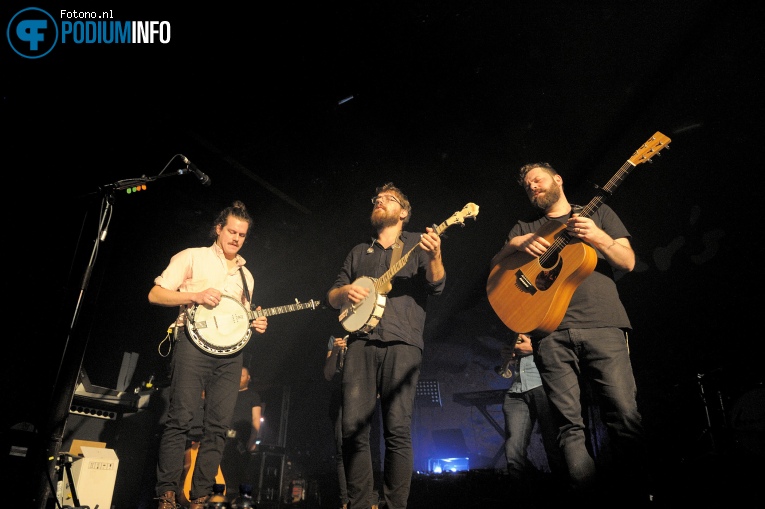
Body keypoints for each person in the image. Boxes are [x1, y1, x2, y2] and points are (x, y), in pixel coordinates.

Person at [490, 162, 650, 505]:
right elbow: (497, 270)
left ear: (557, 179)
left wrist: (596, 236)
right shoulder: (526, 227)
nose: (533, 186)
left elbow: (627, 261)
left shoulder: (599, 212)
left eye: (539, 179)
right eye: (528, 185)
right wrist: (515, 242)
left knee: (624, 414)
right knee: (567, 426)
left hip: (602, 323)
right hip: (549, 333)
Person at [326, 182, 445, 509]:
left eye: (388, 199)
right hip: (360, 343)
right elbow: (332, 296)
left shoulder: (419, 243)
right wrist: (346, 291)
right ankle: (361, 504)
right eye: (376, 199)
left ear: (404, 212)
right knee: (352, 430)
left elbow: (436, 285)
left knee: (397, 429)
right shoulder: (358, 251)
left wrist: (435, 255)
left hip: (402, 342)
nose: (379, 201)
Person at [149, 200, 268, 509]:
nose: (236, 238)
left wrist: (255, 322)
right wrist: (195, 295)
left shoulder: (247, 277)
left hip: (230, 356)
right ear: (218, 229)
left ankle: (200, 497)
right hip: (192, 345)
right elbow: (156, 293)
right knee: (181, 419)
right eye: (231, 231)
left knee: (217, 426)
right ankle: (166, 495)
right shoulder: (193, 257)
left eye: (242, 234)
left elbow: (239, 319)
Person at [499, 331, 565, 501]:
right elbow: (512, 365)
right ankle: (518, 495)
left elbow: (564, 345)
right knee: (513, 446)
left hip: (543, 383)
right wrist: (510, 357)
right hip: (518, 388)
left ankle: (565, 493)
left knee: (553, 444)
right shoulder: (516, 327)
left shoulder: (545, 321)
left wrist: (533, 348)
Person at [324, 335, 381, 509]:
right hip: (340, 395)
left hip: (362, 391)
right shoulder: (335, 336)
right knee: (342, 449)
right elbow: (328, 374)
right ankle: (345, 499)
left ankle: (370, 499)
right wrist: (334, 351)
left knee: (362, 444)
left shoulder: (369, 332)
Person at [221, 366, 262, 497]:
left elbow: (256, 418)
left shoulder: (253, 396)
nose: (239, 378)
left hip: (242, 438)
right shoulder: (229, 394)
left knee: (242, 469)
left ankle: (243, 498)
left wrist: (253, 438)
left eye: (242, 376)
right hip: (225, 436)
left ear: (248, 378)